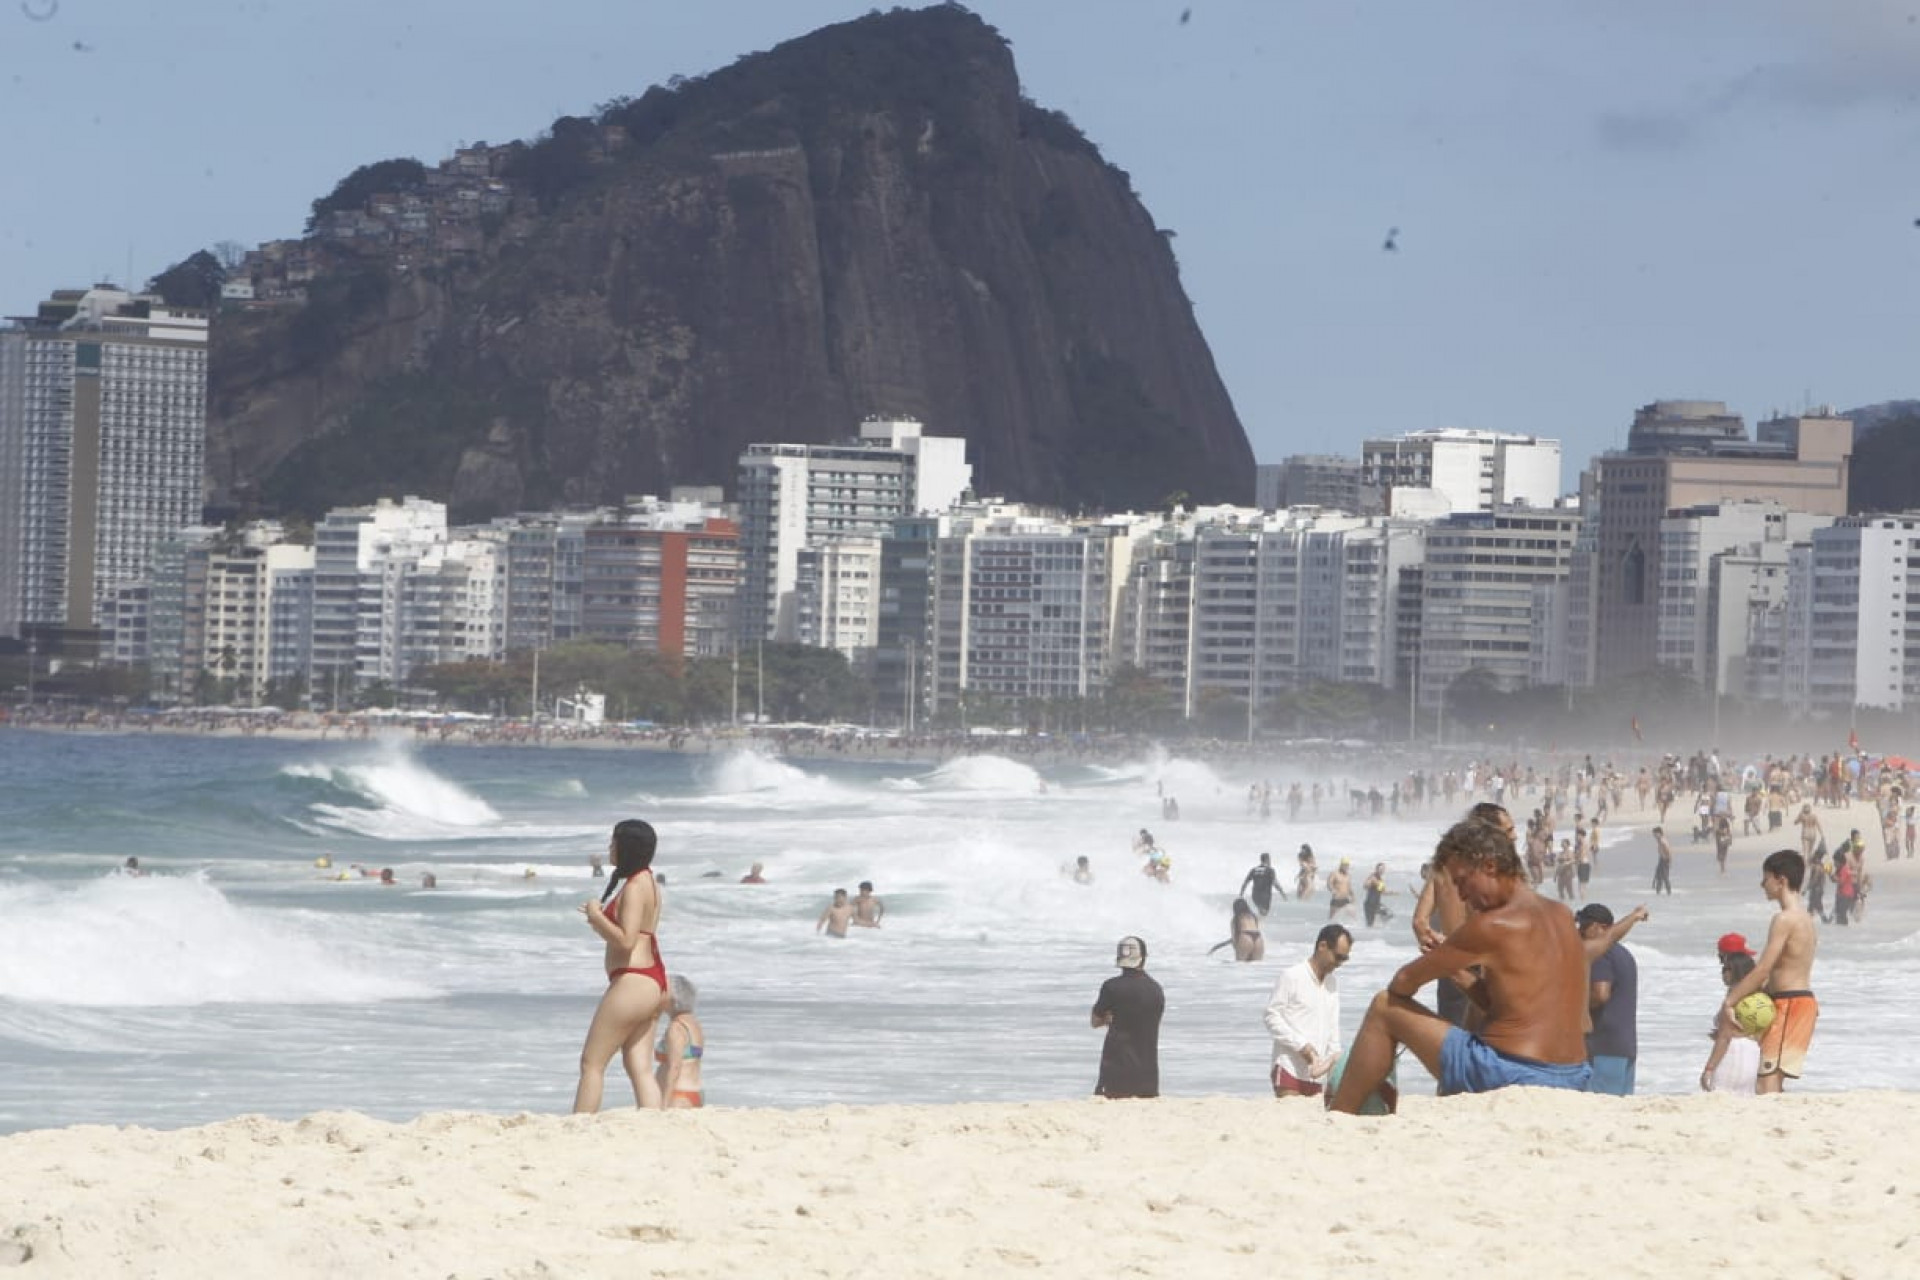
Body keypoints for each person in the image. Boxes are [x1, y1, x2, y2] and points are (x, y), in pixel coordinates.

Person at [1329, 819, 1592, 1113]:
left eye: (1463, 881)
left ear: (1489, 866)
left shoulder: (1491, 924)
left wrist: (1440, 960)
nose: (1463, 896)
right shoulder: (1562, 915)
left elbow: (1402, 982)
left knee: (1384, 1007)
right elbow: (1508, 1010)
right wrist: (1456, 970)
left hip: (1511, 1072)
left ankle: (1340, 1114)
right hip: (1575, 1075)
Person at [573, 818, 667, 1113]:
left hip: (634, 980)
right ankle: (654, 1124)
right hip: (652, 980)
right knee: (638, 1066)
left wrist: (597, 916)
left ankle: (578, 1126)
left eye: (613, 842)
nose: (609, 847)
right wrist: (599, 919)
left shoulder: (636, 886)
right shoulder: (646, 881)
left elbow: (625, 941)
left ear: (626, 847)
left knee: (592, 1062)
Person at [1721, 849, 1819, 1093]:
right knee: (1773, 1075)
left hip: (1790, 1004)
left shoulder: (1785, 919)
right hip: (1801, 1000)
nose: (1762, 884)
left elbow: (1763, 969)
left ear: (1781, 880)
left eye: (1765, 878)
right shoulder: (1806, 918)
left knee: (1767, 1080)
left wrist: (1730, 1001)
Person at [1264, 925, 1351, 1098]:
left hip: (1318, 1075)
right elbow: (1271, 1016)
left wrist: (1334, 1067)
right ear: (1322, 946)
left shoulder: (1332, 983)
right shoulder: (1292, 976)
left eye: (1344, 959)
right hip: (1290, 1067)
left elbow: (1333, 1029)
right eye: (1338, 957)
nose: (1340, 964)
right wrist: (1301, 1045)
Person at [1576, 903, 1642, 1096]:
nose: (1579, 930)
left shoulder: (1601, 955)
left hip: (1603, 1044)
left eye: (1583, 925)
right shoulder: (1623, 953)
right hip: (1624, 1044)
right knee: (1619, 1110)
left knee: (1599, 1106)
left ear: (1599, 927)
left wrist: (1572, 1005)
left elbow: (1600, 994)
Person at [1091, 936, 1164, 1099]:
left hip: (1116, 1079)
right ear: (1143, 959)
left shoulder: (1111, 987)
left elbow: (1094, 1022)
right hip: (1149, 1081)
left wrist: (1107, 1019)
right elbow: (1155, 1025)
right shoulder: (1156, 990)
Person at [1700, 951, 1762, 1093]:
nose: (1723, 973)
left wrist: (1709, 1069)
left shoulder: (1732, 1000)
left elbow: (1725, 1038)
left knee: (1721, 1094)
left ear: (1737, 971)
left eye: (1727, 969)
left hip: (1733, 1053)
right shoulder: (1757, 997)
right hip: (1752, 1053)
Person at [654, 973, 705, 1109]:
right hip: (694, 1091)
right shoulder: (694, 1024)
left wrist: (664, 1104)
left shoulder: (676, 1027)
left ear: (672, 999)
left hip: (679, 1094)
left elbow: (674, 1067)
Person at [1209, 898, 1265, 962]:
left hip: (1245, 936)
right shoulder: (1254, 917)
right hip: (1258, 938)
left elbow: (1234, 939)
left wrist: (1238, 950)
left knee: (1240, 967)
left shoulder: (1236, 919)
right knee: (1256, 967)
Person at [1362, 861, 1394, 927]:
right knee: (1369, 925)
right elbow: (1365, 885)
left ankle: (1381, 928)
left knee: (1389, 915)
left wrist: (1392, 893)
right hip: (1369, 905)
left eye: (1383, 869)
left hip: (1377, 904)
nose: (1381, 871)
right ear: (1376, 869)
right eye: (1380, 869)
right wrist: (1369, 884)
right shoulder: (1372, 877)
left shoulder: (1381, 880)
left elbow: (1383, 892)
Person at [1650, 826, 1672, 895]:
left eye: (1655, 834)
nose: (1654, 836)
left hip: (1665, 860)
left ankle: (1669, 893)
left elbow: (1669, 852)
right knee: (1658, 877)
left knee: (1665, 877)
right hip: (1661, 860)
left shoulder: (1663, 841)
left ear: (1659, 833)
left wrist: (1669, 862)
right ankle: (1658, 894)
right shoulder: (1659, 841)